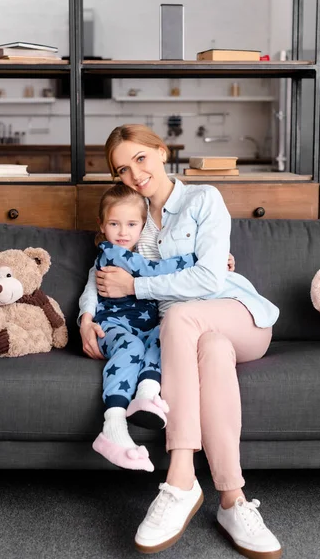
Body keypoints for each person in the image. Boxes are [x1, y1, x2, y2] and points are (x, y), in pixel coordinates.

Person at [79, 124, 282, 559]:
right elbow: (103, 274)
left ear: (160, 151)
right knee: (206, 347)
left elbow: (209, 276)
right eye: (122, 169)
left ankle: (180, 481)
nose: (134, 173)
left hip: (238, 313)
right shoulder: (131, 221)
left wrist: (135, 288)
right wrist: (84, 315)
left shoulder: (201, 199)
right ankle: (233, 499)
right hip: (195, 335)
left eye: (140, 158)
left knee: (182, 316)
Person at [79, 183, 197, 472]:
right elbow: (151, 272)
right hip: (112, 326)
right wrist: (198, 260)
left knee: (166, 333)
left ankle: (146, 394)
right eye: (114, 224)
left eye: (131, 224)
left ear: (143, 225)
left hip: (146, 327)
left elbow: (152, 269)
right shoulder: (110, 252)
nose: (122, 232)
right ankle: (114, 422)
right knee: (131, 346)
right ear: (102, 226)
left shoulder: (142, 253)